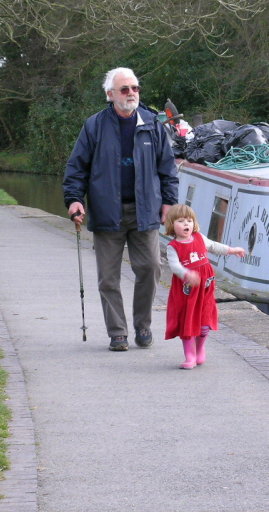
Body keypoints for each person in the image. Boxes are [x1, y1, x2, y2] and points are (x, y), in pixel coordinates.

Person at [63, 67, 179, 352]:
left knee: (151, 268)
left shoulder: (153, 124)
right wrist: (74, 200)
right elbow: (77, 168)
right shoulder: (94, 126)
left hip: (146, 211)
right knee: (108, 277)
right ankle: (117, 332)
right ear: (110, 94)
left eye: (135, 88)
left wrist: (168, 202)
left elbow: (168, 169)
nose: (131, 94)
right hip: (107, 212)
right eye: (125, 89)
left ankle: (143, 325)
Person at [163, 204, 245, 369]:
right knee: (187, 319)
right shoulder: (173, 247)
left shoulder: (200, 238)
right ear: (172, 224)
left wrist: (231, 250)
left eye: (189, 220)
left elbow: (214, 246)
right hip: (186, 290)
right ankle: (190, 356)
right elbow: (174, 266)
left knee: (204, 321)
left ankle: (200, 348)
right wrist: (186, 274)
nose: (187, 224)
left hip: (205, 287)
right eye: (181, 221)